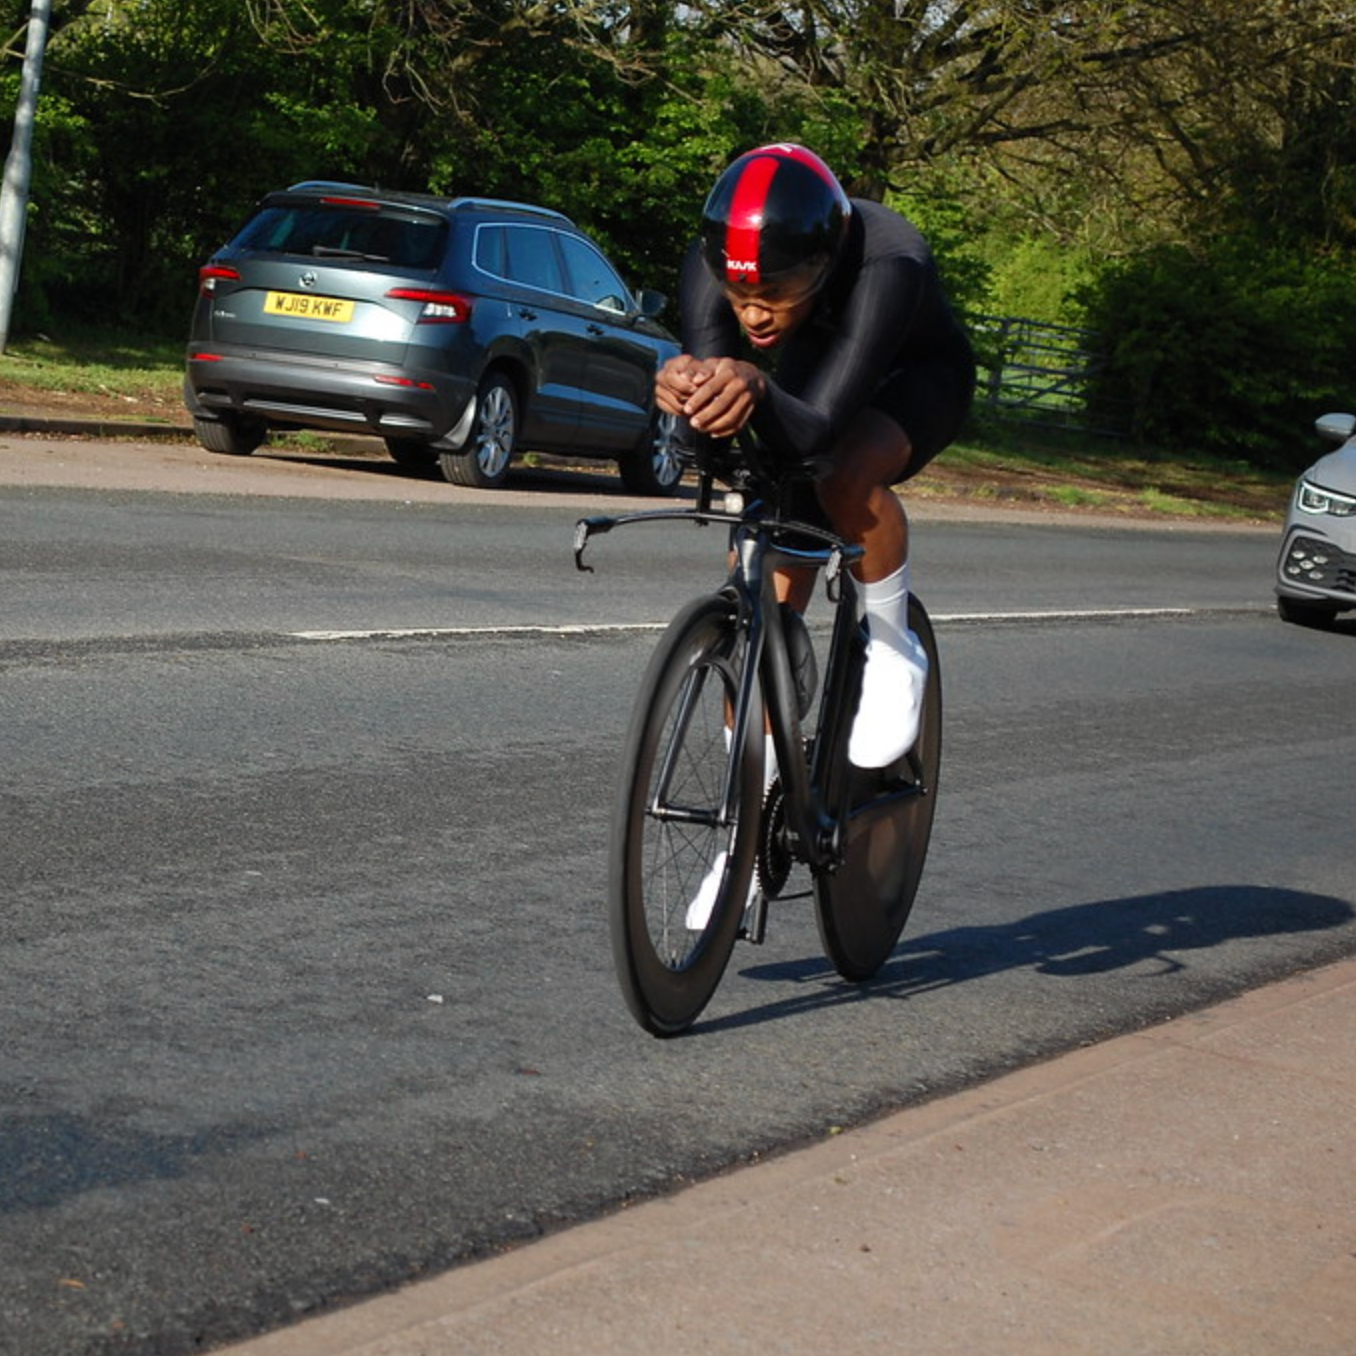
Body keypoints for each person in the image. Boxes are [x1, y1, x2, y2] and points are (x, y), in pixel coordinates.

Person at [656, 144, 976, 929]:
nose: (754, 310)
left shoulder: (886, 263)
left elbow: (823, 429)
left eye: (776, 290)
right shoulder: (716, 269)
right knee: (766, 558)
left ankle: (893, 645)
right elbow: (713, 439)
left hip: (909, 377)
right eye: (739, 291)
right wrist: (677, 392)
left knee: (841, 477)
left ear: (822, 265)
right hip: (796, 382)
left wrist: (755, 384)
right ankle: (749, 844)